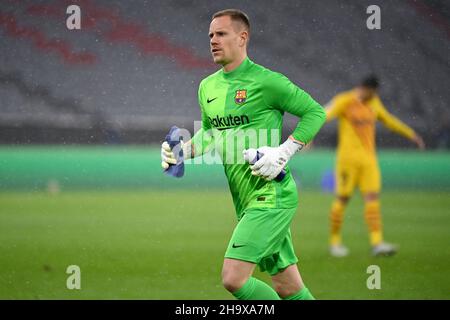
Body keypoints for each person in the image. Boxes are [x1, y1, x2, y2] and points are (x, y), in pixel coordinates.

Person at [161, 9, 325, 300]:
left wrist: (285, 151)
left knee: (233, 279)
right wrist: (183, 150)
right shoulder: (207, 86)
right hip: (245, 199)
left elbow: (314, 112)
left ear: (242, 37)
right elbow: (211, 132)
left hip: (271, 197)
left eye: (221, 34)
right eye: (210, 35)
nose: (213, 40)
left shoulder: (267, 81)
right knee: (288, 287)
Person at [325, 75, 425, 257]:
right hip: (347, 161)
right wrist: (306, 136)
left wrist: (411, 134)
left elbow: (389, 120)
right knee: (342, 199)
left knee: (372, 198)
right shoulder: (344, 101)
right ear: (364, 88)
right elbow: (324, 115)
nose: (374, 95)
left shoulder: (374, 102)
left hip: (369, 161)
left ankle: (377, 243)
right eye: (372, 92)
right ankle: (335, 243)